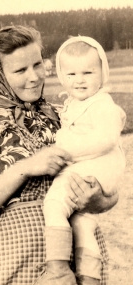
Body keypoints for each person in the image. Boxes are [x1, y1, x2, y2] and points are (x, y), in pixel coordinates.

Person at [0, 26, 118, 285]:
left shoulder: (67, 113)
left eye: (37, 64)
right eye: (20, 70)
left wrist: (100, 199)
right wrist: (25, 168)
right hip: (14, 260)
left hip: (78, 264)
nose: (34, 77)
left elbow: (109, 176)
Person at [37, 36, 126, 285]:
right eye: (72, 73)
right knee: (83, 222)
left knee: (54, 203)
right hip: (94, 169)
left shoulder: (102, 104)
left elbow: (105, 139)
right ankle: (90, 277)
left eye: (88, 72)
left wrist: (64, 150)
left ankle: (57, 269)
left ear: (102, 73)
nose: (80, 80)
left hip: (95, 167)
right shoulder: (74, 104)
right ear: (62, 76)